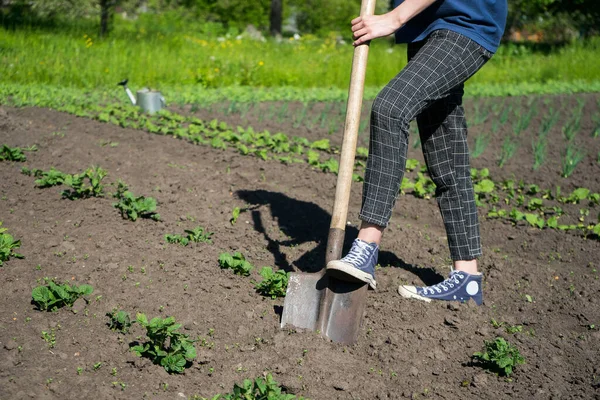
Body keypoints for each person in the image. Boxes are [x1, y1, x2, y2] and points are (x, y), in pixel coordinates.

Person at [326, 0, 507, 305]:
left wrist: (394, 18)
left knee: (390, 109)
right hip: (426, 29)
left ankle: (366, 247)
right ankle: (467, 279)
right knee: (446, 157)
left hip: (464, 23)